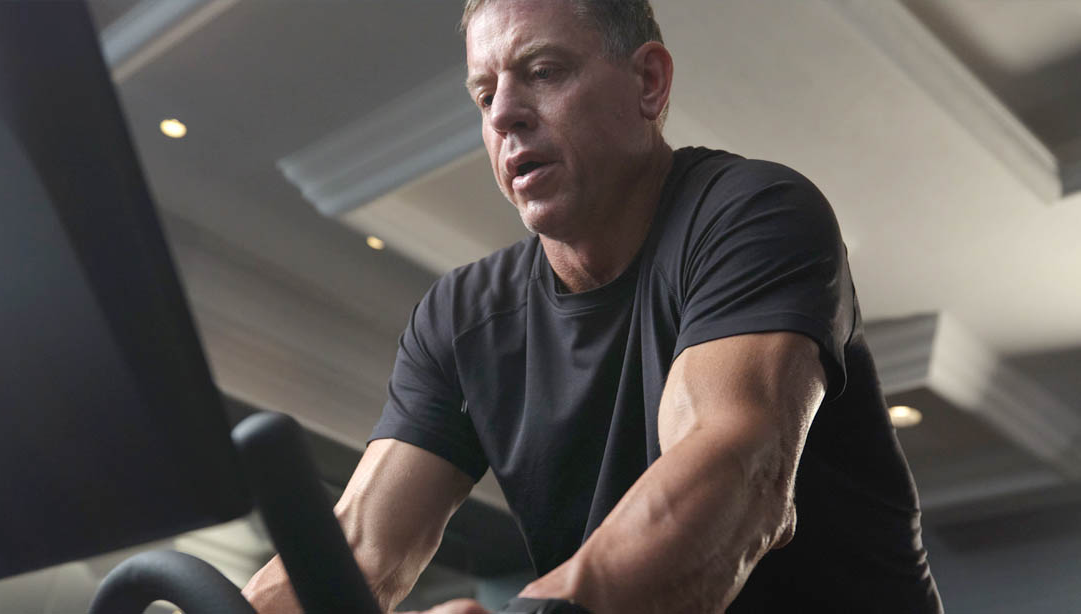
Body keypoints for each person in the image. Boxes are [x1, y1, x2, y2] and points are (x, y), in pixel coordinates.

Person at [243, 0, 944, 612]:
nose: (504, 114)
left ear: (649, 82)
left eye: (543, 71)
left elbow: (733, 466)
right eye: (483, 95)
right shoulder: (461, 318)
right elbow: (361, 551)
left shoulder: (751, 215)